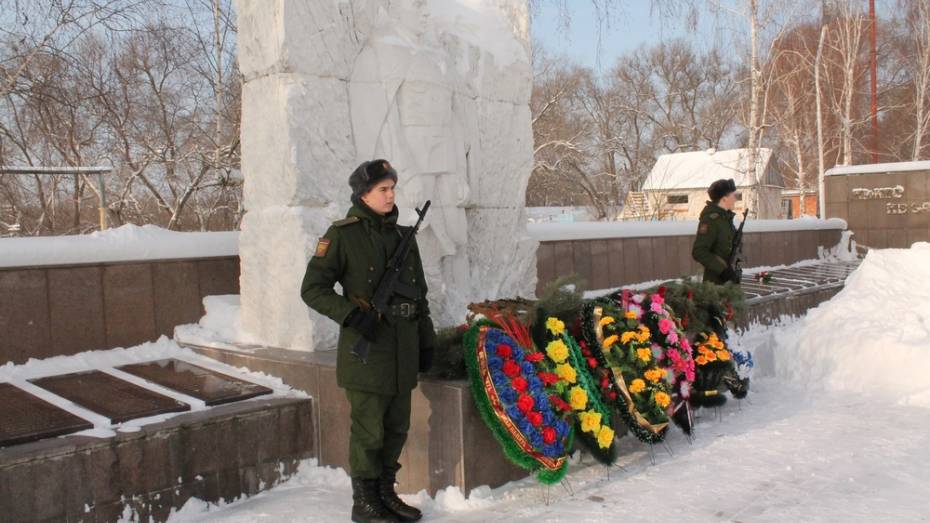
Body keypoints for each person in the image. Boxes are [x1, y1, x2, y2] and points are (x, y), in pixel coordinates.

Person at [301, 159, 436, 523]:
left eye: (393, 188)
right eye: (383, 189)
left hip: (402, 349)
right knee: (368, 431)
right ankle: (363, 502)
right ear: (363, 193)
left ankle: (385, 494)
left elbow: (419, 299)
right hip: (367, 350)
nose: (391, 195)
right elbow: (312, 289)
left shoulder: (402, 237)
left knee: (396, 428)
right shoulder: (342, 235)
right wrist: (351, 314)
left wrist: (426, 343)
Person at [692, 178, 739, 286]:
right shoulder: (710, 220)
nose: (735, 199)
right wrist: (723, 270)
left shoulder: (726, 219)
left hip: (730, 281)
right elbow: (699, 251)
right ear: (724, 199)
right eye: (733, 195)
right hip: (714, 285)